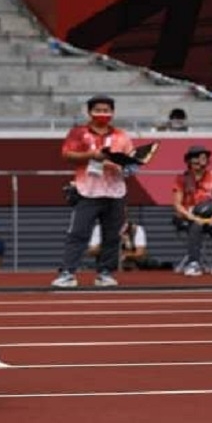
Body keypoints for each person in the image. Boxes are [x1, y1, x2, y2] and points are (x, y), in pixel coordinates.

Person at [53, 95, 134, 288]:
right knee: (78, 233)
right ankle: (68, 273)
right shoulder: (79, 133)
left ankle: (105, 273)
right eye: (98, 110)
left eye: (107, 110)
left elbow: (131, 160)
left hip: (115, 191)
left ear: (113, 113)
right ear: (89, 112)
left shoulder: (121, 135)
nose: (102, 114)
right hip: (87, 191)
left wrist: (127, 166)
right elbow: (67, 154)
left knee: (113, 235)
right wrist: (92, 155)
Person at [172, 145, 212, 276]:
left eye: (203, 158)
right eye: (196, 159)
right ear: (190, 162)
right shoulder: (181, 178)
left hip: (208, 215)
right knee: (196, 226)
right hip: (187, 217)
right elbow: (177, 205)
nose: (199, 163)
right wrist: (191, 217)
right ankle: (193, 263)